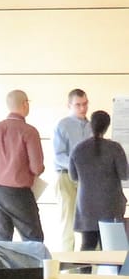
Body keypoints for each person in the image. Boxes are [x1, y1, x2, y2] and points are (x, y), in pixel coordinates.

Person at [0, 89, 45, 242]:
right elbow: (37, 167)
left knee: (2, 240)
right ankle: (32, 267)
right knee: (33, 239)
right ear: (25, 104)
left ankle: (3, 266)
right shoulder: (29, 132)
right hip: (18, 194)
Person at [69, 110, 129, 251]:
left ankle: (83, 273)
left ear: (90, 125)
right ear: (107, 126)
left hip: (86, 203)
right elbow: (125, 174)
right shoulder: (115, 148)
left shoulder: (78, 149)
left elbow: (73, 176)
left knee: (87, 245)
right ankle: (110, 274)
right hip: (111, 204)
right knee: (111, 248)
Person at [53, 89, 92, 252]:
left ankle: (90, 268)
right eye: (78, 105)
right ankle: (67, 270)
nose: (83, 108)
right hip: (66, 177)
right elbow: (58, 155)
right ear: (69, 105)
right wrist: (76, 165)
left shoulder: (91, 126)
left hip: (87, 179)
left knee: (89, 225)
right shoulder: (63, 125)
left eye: (85, 104)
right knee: (67, 225)